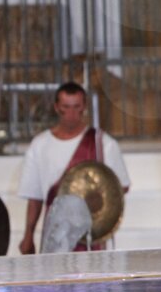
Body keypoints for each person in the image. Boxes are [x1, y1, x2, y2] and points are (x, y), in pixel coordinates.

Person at [17, 82, 131, 255]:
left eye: (76, 107)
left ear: (84, 107)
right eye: (66, 107)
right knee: (55, 280)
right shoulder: (40, 145)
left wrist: (96, 199)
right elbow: (35, 197)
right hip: (55, 236)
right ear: (56, 107)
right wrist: (28, 235)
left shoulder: (103, 143)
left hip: (92, 237)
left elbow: (120, 187)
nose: (71, 114)